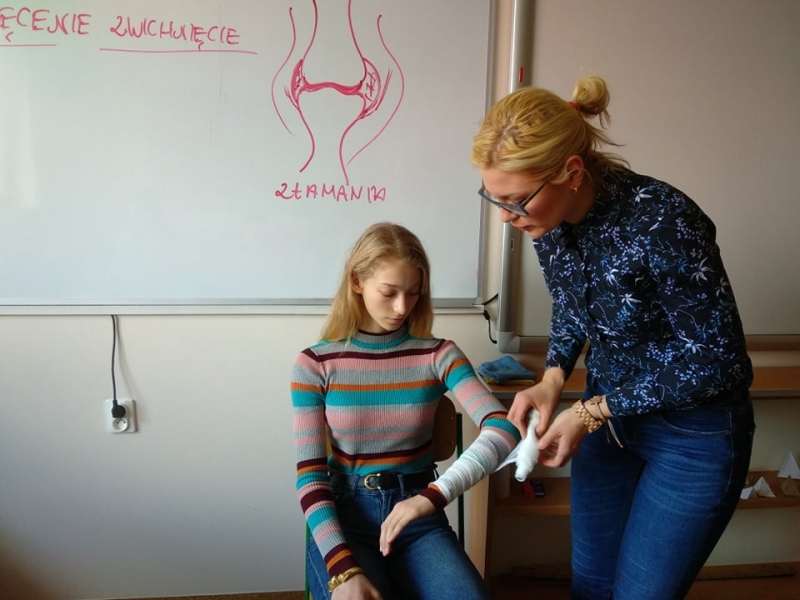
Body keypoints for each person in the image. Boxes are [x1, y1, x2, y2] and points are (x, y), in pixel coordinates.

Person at [471, 76, 754, 600]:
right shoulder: (548, 222)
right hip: (609, 420)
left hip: (692, 435)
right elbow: (572, 305)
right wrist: (552, 378)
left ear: (571, 173)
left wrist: (589, 412)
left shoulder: (664, 219)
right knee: (592, 584)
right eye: (495, 199)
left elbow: (718, 362)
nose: (507, 217)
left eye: (516, 201)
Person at [291, 222, 521, 600]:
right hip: (346, 518)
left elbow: (504, 429)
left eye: (413, 293)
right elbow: (311, 477)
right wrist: (341, 567)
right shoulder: (314, 364)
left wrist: (433, 496)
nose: (402, 307)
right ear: (357, 282)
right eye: (389, 292)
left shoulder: (439, 354)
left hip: (419, 516)